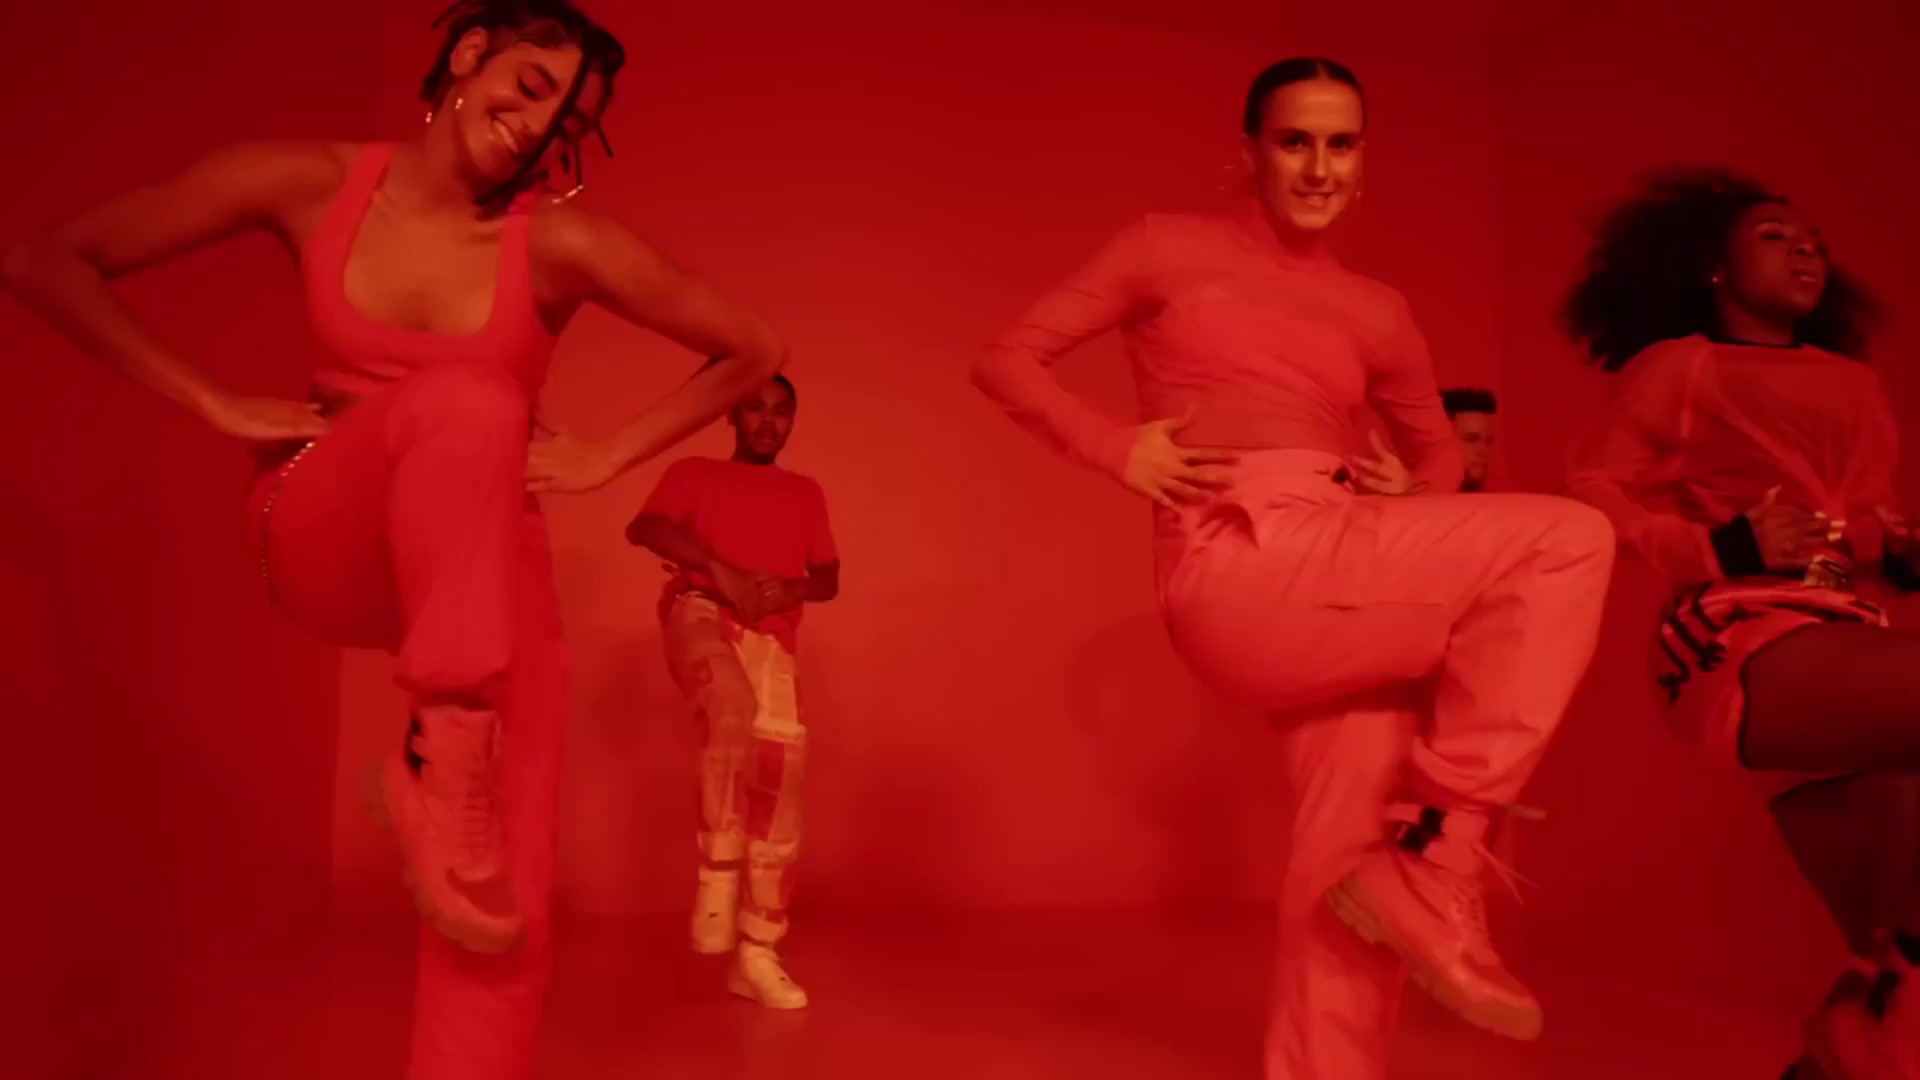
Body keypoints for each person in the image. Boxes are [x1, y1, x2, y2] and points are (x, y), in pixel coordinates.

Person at [1, 2, 785, 1076]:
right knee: (471, 399)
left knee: (500, 886)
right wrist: (210, 399)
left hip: (481, 555)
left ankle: (453, 796)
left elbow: (753, 347)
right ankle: (444, 750)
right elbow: (48, 261)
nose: (535, 125)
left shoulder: (562, 246)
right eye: (529, 85)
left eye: (564, 121)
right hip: (324, 525)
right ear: (468, 53)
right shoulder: (306, 181)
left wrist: (606, 455)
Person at [972, 56, 1615, 1078]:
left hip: (1339, 557)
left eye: (1341, 144)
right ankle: (1443, 851)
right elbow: (1007, 357)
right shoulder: (1165, 248)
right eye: (1296, 141)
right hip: (1238, 556)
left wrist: (1416, 493)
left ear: (1363, 162)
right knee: (1569, 539)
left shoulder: (1378, 311)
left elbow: (1437, 453)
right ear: (1251, 153)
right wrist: (1117, 449)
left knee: (1351, 853)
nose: (1319, 167)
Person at [1561, 168, 1920, 1078]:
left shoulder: (1853, 384)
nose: (1805, 251)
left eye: (1814, 242)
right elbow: (1592, 495)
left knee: (1891, 932)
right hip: (1736, 630)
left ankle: (1850, 1039)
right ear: (1713, 267)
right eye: (1774, 235)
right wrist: (1715, 544)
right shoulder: (1682, 367)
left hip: (1845, 628)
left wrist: (1897, 552)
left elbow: (1859, 523)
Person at [626, 370, 838, 1010]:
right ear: (732, 416)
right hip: (702, 611)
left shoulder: (805, 492)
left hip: (773, 638)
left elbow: (828, 576)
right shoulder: (695, 474)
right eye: (754, 409)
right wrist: (719, 569)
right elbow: (645, 528)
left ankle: (757, 955)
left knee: (779, 782)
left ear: (792, 420)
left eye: (781, 411)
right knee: (730, 707)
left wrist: (792, 588)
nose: (768, 422)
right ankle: (717, 875)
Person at [1440, 387, 1497, 492]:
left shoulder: (1504, 495)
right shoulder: (1418, 497)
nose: (1483, 451)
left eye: (1488, 442)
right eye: (1471, 440)